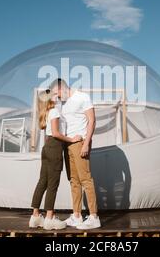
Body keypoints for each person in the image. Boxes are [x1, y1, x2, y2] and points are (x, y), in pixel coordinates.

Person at [50, 78, 101, 230]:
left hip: (80, 143)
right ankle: (77, 215)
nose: (56, 97)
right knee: (74, 180)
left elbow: (92, 121)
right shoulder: (62, 103)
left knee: (86, 179)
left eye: (56, 93)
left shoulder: (82, 97)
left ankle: (93, 217)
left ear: (62, 88)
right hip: (68, 143)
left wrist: (86, 143)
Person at [29, 90, 82, 230]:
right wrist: (72, 139)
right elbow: (56, 133)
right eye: (52, 93)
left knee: (43, 182)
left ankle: (35, 216)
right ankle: (49, 218)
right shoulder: (54, 112)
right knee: (53, 184)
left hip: (48, 147)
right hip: (55, 147)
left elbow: (52, 133)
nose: (55, 94)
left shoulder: (47, 112)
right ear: (49, 99)